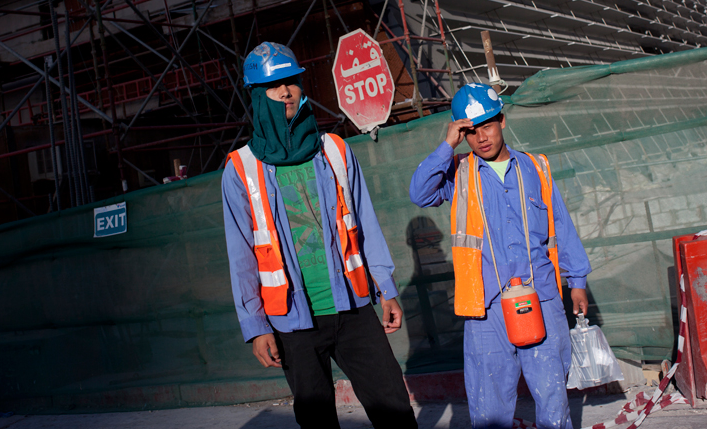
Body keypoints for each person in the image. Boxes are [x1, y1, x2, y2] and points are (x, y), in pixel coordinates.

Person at [222, 41, 417, 429]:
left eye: (291, 82)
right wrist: (256, 326)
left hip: (353, 306)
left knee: (394, 407)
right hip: (292, 321)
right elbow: (241, 254)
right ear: (257, 96)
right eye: (273, 87)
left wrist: (385, 286)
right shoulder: (240, 169)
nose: (285, 92)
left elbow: (365, 221)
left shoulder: (335, 150)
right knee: (317, 420)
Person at [408, 83, 592, 429]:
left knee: (552, 396)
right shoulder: (456, 173)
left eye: (488, 126)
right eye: (471, 131)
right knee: (489, 405)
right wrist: (447, 144)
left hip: (542, 296)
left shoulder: (536, 169)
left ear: (502, 121)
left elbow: (561, 226)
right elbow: (419, 192)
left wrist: (577, 281)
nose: (482, 138)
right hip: (486, 306)